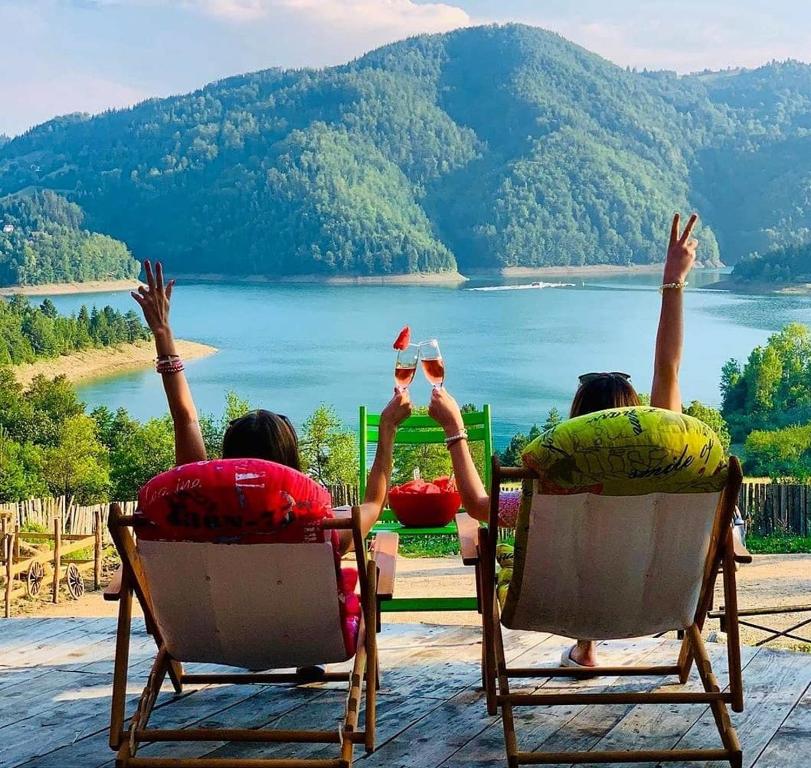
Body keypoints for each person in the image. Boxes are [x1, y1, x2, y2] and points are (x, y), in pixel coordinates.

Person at [428, 212, 699, 670]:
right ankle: (587, 646)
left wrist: (455, 428)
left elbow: (477, 504)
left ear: (577, 422)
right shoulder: (663, 468)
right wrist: (673, 282)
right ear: (637, 418)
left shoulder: (550, 487)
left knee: (581, 561)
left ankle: (585, 644)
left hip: (566, 601)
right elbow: (667, 370)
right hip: (655, 603)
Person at [131, 259, 412, 556]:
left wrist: (162, 332)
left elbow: (185, 419)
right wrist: (388, 427)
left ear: (228, 461)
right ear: (288, 460)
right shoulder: (316, 529)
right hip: (301, 606)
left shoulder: (197, 515)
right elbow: (373, 504)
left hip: (211, 604)